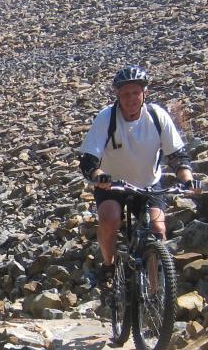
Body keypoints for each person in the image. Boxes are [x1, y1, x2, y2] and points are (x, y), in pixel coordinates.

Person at [78, 65, 196, 288]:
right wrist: (99, 175)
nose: (130, 98)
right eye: (125, 94)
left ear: (144, 93)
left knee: (158, 229)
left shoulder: (157, 116)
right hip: (113, 185)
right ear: (118, 96)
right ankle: (109, 265)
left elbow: (178, 156)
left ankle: (156, 294)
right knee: (109, 217)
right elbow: (88, 160)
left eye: (135, 92)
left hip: (149, 184)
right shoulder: (107, 118)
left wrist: (187, 179)